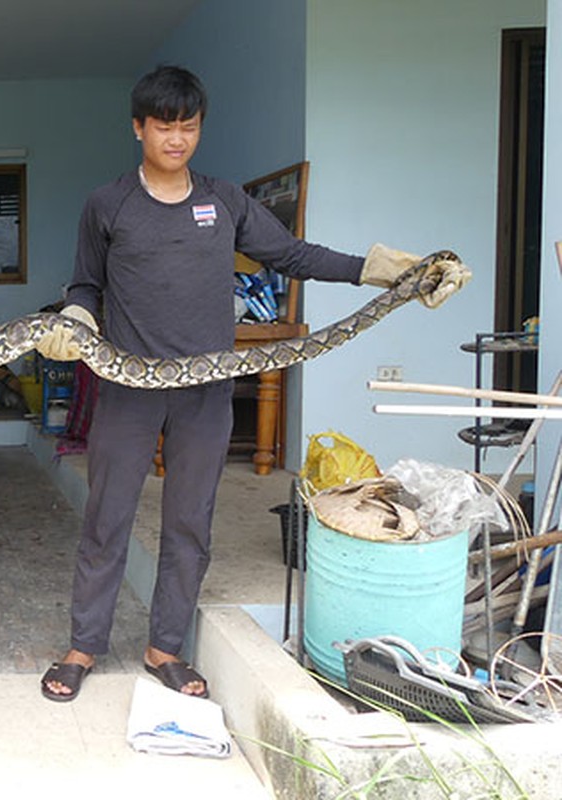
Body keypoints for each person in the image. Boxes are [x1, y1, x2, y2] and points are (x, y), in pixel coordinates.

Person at [35, 66, 470, 702]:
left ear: (199, 128)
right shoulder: (109, 204)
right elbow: (85, 284)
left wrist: (380, 271)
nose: (177, 139)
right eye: (164, 127)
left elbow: (293, 255)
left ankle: (165, 649)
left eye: (188, 127)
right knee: (107, 517)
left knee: (191, 521)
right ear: (138, 129)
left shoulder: (226, 201)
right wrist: (75, 316)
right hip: (129, 388)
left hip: (206, 391)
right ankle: (84, 646)